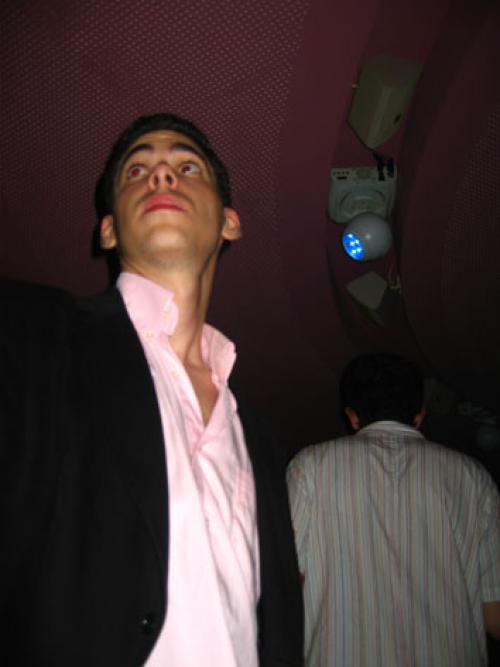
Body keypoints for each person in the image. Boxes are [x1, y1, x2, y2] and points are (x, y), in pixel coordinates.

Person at [1, 113, 303, 666]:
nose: (162, 175)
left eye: (187, 167)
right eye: (137, 171)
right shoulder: (36, 340)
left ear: (230, 222)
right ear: (109, 230)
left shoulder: (262, 441)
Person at [287, 353, 500, 666]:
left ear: (353, 417)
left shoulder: (309, 468)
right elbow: (494, 614)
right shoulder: (474, 478)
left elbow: (285, 587)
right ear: (419, 416)